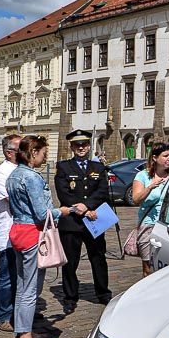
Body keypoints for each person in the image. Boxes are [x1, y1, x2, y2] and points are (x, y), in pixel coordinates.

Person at [6, 135, 81, 338]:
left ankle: (24, 331)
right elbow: (42, 213)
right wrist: (65, 211)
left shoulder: (13, 175)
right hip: (32, 233)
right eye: (43, 153)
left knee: (22, 287)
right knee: (30, 290)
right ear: (33, 153)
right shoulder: (31, 177)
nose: (44, 157)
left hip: (18, 230)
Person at [54, 129, 112, 315]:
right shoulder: (64, 167)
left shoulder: (98, 168)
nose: (81, 148)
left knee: (98, 258)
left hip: (94, 219)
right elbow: (64, 193)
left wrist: (88, 207)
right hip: (72, 222)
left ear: (89, 146)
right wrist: (83, 210)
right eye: (77, 145)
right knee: (70, 262)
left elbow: (102, 191)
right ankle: (70, 297)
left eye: (84, 144)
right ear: (72, 147)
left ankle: (103, 293)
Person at [0, 132, 21, 331]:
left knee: (21, 275)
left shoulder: (22, 170)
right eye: (21, 148)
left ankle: (19, 311)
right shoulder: (0, 173)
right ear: (9, 152)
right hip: (7, 232)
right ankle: (2, 316)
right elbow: (15, 201)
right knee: (7, 275)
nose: (26, 151)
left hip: (24, 231)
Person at [132, 142, 169, 277]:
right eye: (165, 156)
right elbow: (136, 199)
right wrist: (149, 188)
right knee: (149, 270)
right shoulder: (143, 176)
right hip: (150, 226)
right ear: (154, 158)